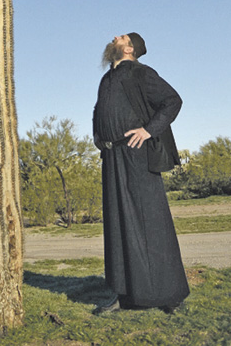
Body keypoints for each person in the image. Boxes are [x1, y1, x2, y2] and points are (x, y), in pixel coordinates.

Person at [92, 32, 189, 314]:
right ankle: (123, 294)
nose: (114, 37)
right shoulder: (107, 78)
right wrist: (98, 136)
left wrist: (148, 130)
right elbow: (99, 110)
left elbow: (172, 101)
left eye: (120, 37)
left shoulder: (140, 73)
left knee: (151, 223)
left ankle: (170, 295)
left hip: (136, 155)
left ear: (130, 48)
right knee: (117, 225)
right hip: (112, 156)